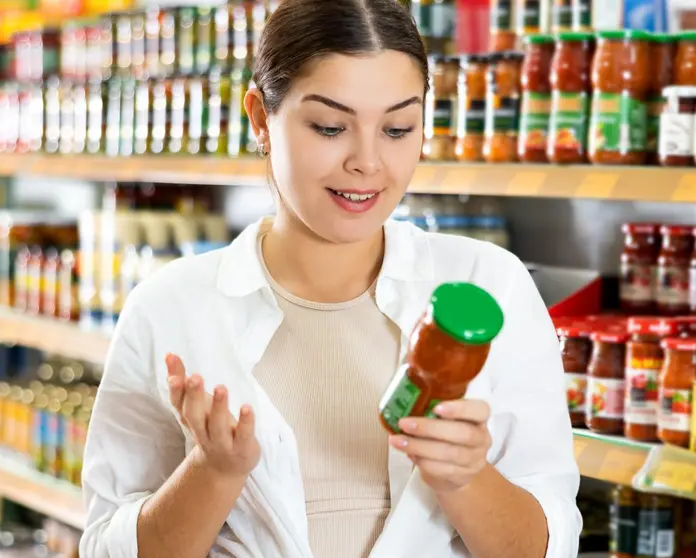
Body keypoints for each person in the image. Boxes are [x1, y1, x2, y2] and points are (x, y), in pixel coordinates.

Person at [79, 0, 581, 556]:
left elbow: (547, 544)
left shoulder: (490, 286)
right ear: (260, 118)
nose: (367, 161)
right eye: (330, 126)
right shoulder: (169, 307)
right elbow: (107, 547)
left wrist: (464, 477)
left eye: (397, 128)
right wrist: (212, 472)